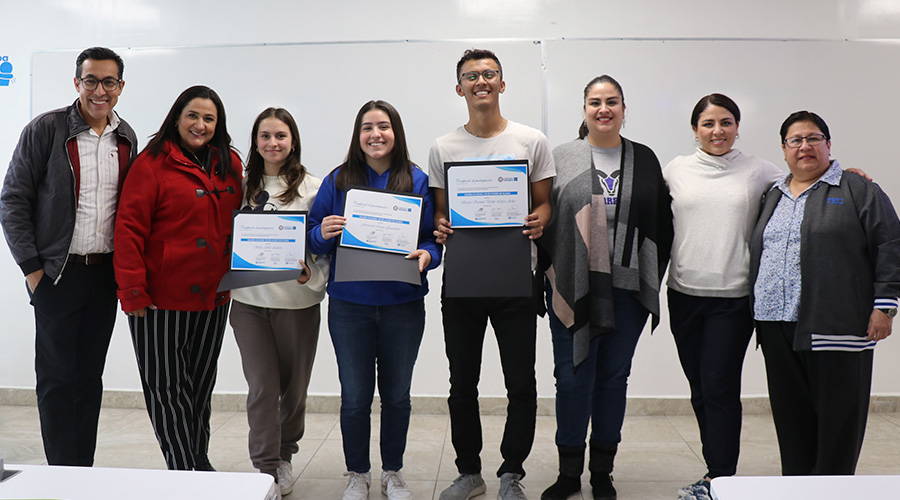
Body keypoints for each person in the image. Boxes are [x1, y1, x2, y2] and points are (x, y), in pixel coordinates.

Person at [0, 47, 137, 466]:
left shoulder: (126, 136)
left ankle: (83, 470)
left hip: (104, 276)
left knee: (88, 378)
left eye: (108, 81)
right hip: (57, 274)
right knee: (56, 379)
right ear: (77, 83)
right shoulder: (47, 129)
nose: (100, 90)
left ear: (120, 87)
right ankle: (63, 471)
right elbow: (13, 200)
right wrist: (33, 270)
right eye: (91, 80)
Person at [539, 75, 672, 500]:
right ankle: (568, 474)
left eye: (611, 101)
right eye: (595, 102)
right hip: (574, 287)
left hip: (627, 290)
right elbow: (544, 221)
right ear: (584, 109)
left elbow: (663, 224)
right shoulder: (561, 157)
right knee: (573, 379)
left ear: (623, 107)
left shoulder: (646, 158)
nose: (603, 109)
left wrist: (648, 272)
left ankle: (601, 474)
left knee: (614, 378)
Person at [429, 48, 554, 500]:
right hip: (462, 284)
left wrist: (540, 218)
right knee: (462, 382)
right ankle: (469, 472)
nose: (480, 81)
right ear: (459, 87)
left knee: (520, 381)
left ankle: (512, 473)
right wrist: (441, 226)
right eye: (471, 76)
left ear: (502, 84)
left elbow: (544, 203)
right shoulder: (444, 147)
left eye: (489, 74)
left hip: (515, 280)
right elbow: (442, 216)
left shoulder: (530, 140)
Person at [750, 111, 900, 476]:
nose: (805, 147)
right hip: (776, 326)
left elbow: (890, 245)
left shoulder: (857, 189)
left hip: (837, 326)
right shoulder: (774, 194)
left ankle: (832, 492)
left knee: (837, 426)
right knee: (791, 422)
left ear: (828, 145)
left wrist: (885, 306)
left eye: (813, 138)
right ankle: (798, 489)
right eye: (795, 141)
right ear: (784, 150)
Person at [307, 100, 440, 500]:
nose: (375, 134)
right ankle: (358, 473)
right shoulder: (338, 180)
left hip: (402, 304)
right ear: (357, 135)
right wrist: (323, 232)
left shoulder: (417, 180)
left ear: (396, 133)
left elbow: (433, 238)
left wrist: (429, 256)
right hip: (350, 305)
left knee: (397, 396)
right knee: (355, 397)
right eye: (367, 127)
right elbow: (312, 235)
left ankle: (393, 473)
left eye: (383, 126)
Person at [113, 85, 242, 471]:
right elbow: (128, 230)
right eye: (193, 116)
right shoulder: (151, 163)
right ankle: (187, 471)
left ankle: (196, 464)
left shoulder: (230, 163)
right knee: (166, 391)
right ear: (176, 117)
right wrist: (132, 291)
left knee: (199, 391)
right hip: (159, 300)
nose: (200, 125)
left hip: (214, 298)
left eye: (209, 118)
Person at [662, 94, 781, 500]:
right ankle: (715, 468)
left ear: (737, 127)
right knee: (699, 387)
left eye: (726, 123)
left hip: (732, 299)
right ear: (695, 129)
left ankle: (720, 477)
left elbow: (808, 181)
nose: (718, 131)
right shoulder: (676, 169)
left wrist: (849, 173)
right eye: (709, 124)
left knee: (719, 386)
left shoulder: (759, 170)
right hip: (683, 294)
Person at [229, 107, 329, 496]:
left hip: (298, 303)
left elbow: (324, 252)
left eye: (280, 136)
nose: (273, 143)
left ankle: (286, 453)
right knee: (262, 387)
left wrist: (311, 277)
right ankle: (266, 465)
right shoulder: (238, 187)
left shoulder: (315, 188)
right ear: (255, 142)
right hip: (249, 303)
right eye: (265, 136)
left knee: (294, 390)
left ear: (293, 141)